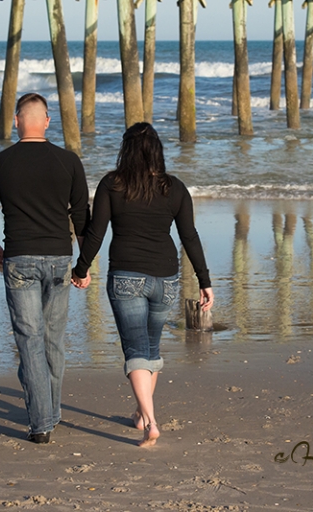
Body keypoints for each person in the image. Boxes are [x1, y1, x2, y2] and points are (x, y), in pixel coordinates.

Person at [71, 122, 214, 447]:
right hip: (166, 278)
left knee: (136, 350)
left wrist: (81, 268)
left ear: (126, 150)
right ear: (158, 150)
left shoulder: (113, 184)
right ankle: (140, 412)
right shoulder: (174, 188)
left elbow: (96, 232)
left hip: (126, 276)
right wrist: (205, 281)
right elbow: (189, 236)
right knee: (150, 349)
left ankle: (151, 421)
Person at [0, 93, 90, 444]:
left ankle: (42, 421)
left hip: (20, 259)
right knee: (53, 339)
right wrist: (83, 265)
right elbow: (82, 216)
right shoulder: (69, 161)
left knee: (29, 340)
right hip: (59, 259)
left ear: (16, 121)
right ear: (48, 121)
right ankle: (49, 412)